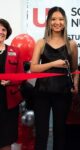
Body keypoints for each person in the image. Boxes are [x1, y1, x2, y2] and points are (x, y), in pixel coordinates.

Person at [30, 6, 78, 150]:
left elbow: (75, 69)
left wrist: (75, 85)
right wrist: (53, 63)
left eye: (61, 19)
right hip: (42, 93)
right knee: (41, 133)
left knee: (60, 132)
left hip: (63, 93)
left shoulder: (72, 44)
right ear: (49, 22)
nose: (57, 22)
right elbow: (33, 68)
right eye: (54, 19)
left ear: (65, 21)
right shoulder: (41, 42)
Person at [0, 19, 23, 150]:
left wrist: (11, 82)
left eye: (3, 29)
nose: (1, 32)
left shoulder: (15, 51)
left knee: (6, 139)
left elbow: (20, 76)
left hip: (9, 102)